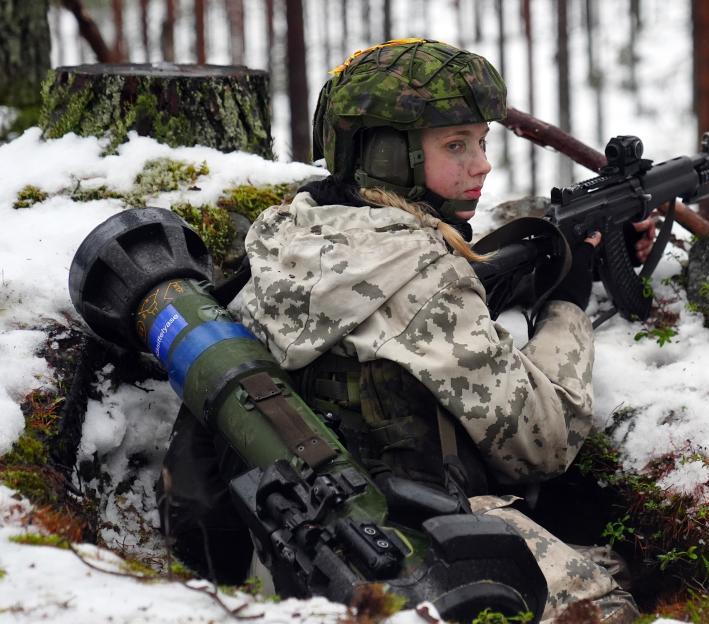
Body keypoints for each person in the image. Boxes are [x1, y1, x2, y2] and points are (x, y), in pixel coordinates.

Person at [162, 38, 646, 623]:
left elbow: (394, 310)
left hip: (293, 544)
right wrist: (570, 301)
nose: (483, 163)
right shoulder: (427, 281)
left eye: (483, 142)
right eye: (455, 145)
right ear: (390, 156)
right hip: (411, 548)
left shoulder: (282, 238)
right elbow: (543, 443)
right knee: (607, 603)